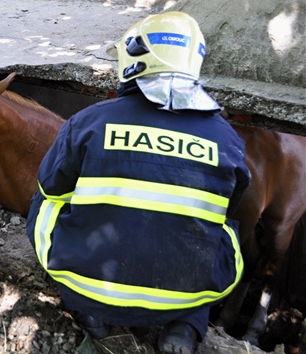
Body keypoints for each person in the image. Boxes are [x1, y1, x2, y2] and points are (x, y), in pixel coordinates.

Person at [26, 11, 251, 354]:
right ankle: (187, 324)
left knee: (46, 201)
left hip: (90, 286)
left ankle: (88, 308)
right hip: (186, 293)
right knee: (220, 224)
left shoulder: (89, 121)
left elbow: (53, 187)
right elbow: (231, 204)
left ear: (134, 56)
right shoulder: (228, 141)